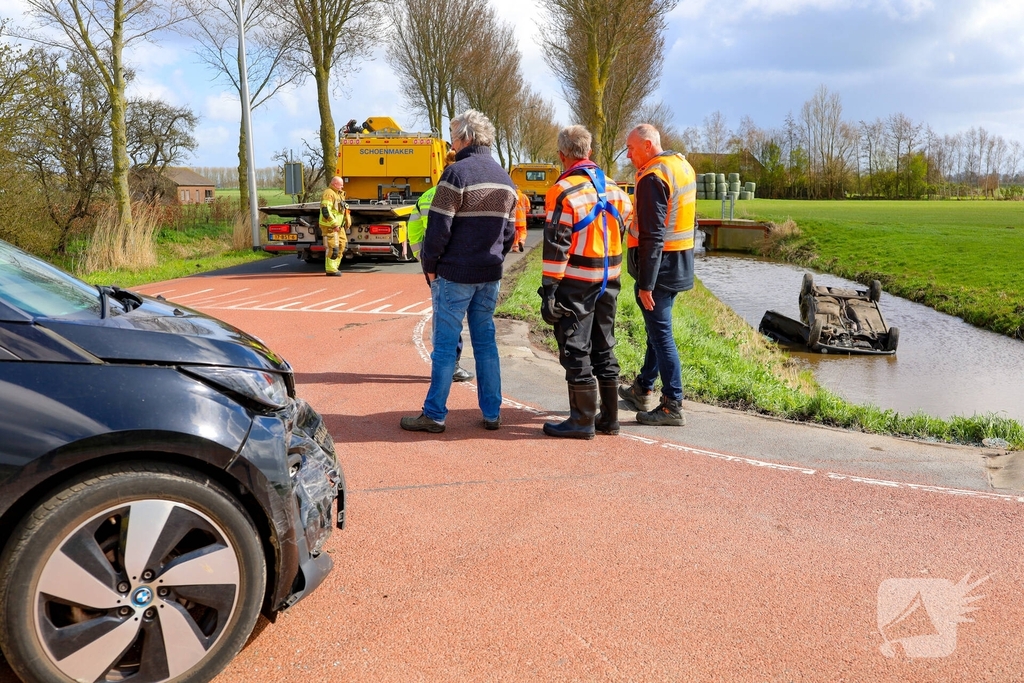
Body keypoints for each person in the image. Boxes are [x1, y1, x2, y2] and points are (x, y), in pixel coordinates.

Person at [401, 109, 518, 434]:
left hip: (454, 275)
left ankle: (435, 414)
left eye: (453, 135)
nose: (451, 141)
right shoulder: (505, 178)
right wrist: (495, 257)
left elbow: (438, 229)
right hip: (489, 274)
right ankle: (492, 413)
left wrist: (431, 267)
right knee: (486, 344)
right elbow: (509, 234)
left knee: (444, 345)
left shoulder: (456, 175)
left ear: (466, 137)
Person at [538, 125, 632, 439]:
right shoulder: (617, 191)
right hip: (610, 279)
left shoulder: (562, 191)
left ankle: (581, 421)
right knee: (605, 345)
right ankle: (609, 418)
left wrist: (550, 288)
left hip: (576, 281)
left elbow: (557, 244)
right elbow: (626, 227)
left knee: (575, 348)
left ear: (562, 155)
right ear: (589, 152)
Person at [618, 123, 697, 426]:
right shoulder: (681, 166)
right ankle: (643, 388)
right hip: (679, 263)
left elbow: (652, 235)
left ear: (648, 146)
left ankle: (672, 404)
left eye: (631, 148)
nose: (628, 154)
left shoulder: (653, 176)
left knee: (661, 336)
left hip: (659, 270)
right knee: (656, 331)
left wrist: (646, 284)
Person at [407, 150, 473, 383]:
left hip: (433, 263)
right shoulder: (462, 194)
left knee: (442, 312)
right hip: (457, 263)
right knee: (455, 316)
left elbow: (413, 229)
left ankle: (444, 363)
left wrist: (422, 259)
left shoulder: (426, 196)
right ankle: (450, 365)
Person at [320, 176, 350, 276]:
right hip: (330, 226)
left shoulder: (338, 194)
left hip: (339, 226)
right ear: (334, 184)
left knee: (342, 245)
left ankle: (335, 267)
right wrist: (334, 224)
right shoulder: (329, 193)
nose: (342, 186)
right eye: (340, 185)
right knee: (333, 248)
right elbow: (326, 211)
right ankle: (330, 269)